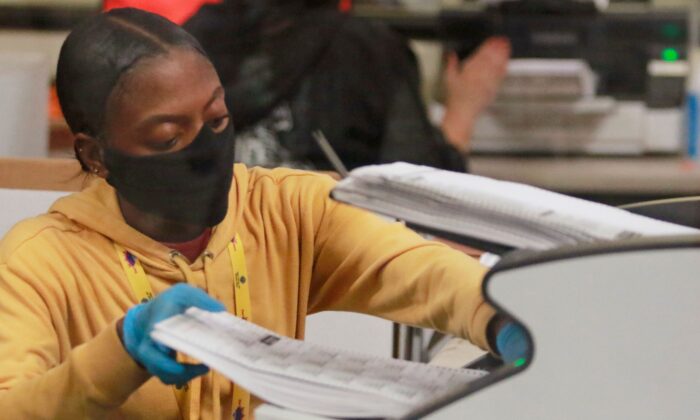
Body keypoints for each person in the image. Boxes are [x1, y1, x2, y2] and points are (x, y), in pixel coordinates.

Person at [0, 8, 526, 419]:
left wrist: (505, 315)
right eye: (167, 137)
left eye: (217, 118)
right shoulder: (40, 260)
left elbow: (420, 271)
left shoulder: (285, 209)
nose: (204, 148)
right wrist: (121, 351)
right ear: (95, 155)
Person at [180, 0, 510, 171]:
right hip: (327, 281)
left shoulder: (182, 45)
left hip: (210, 271)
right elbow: (421, 198)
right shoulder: (370, 51)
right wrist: (463, 114)